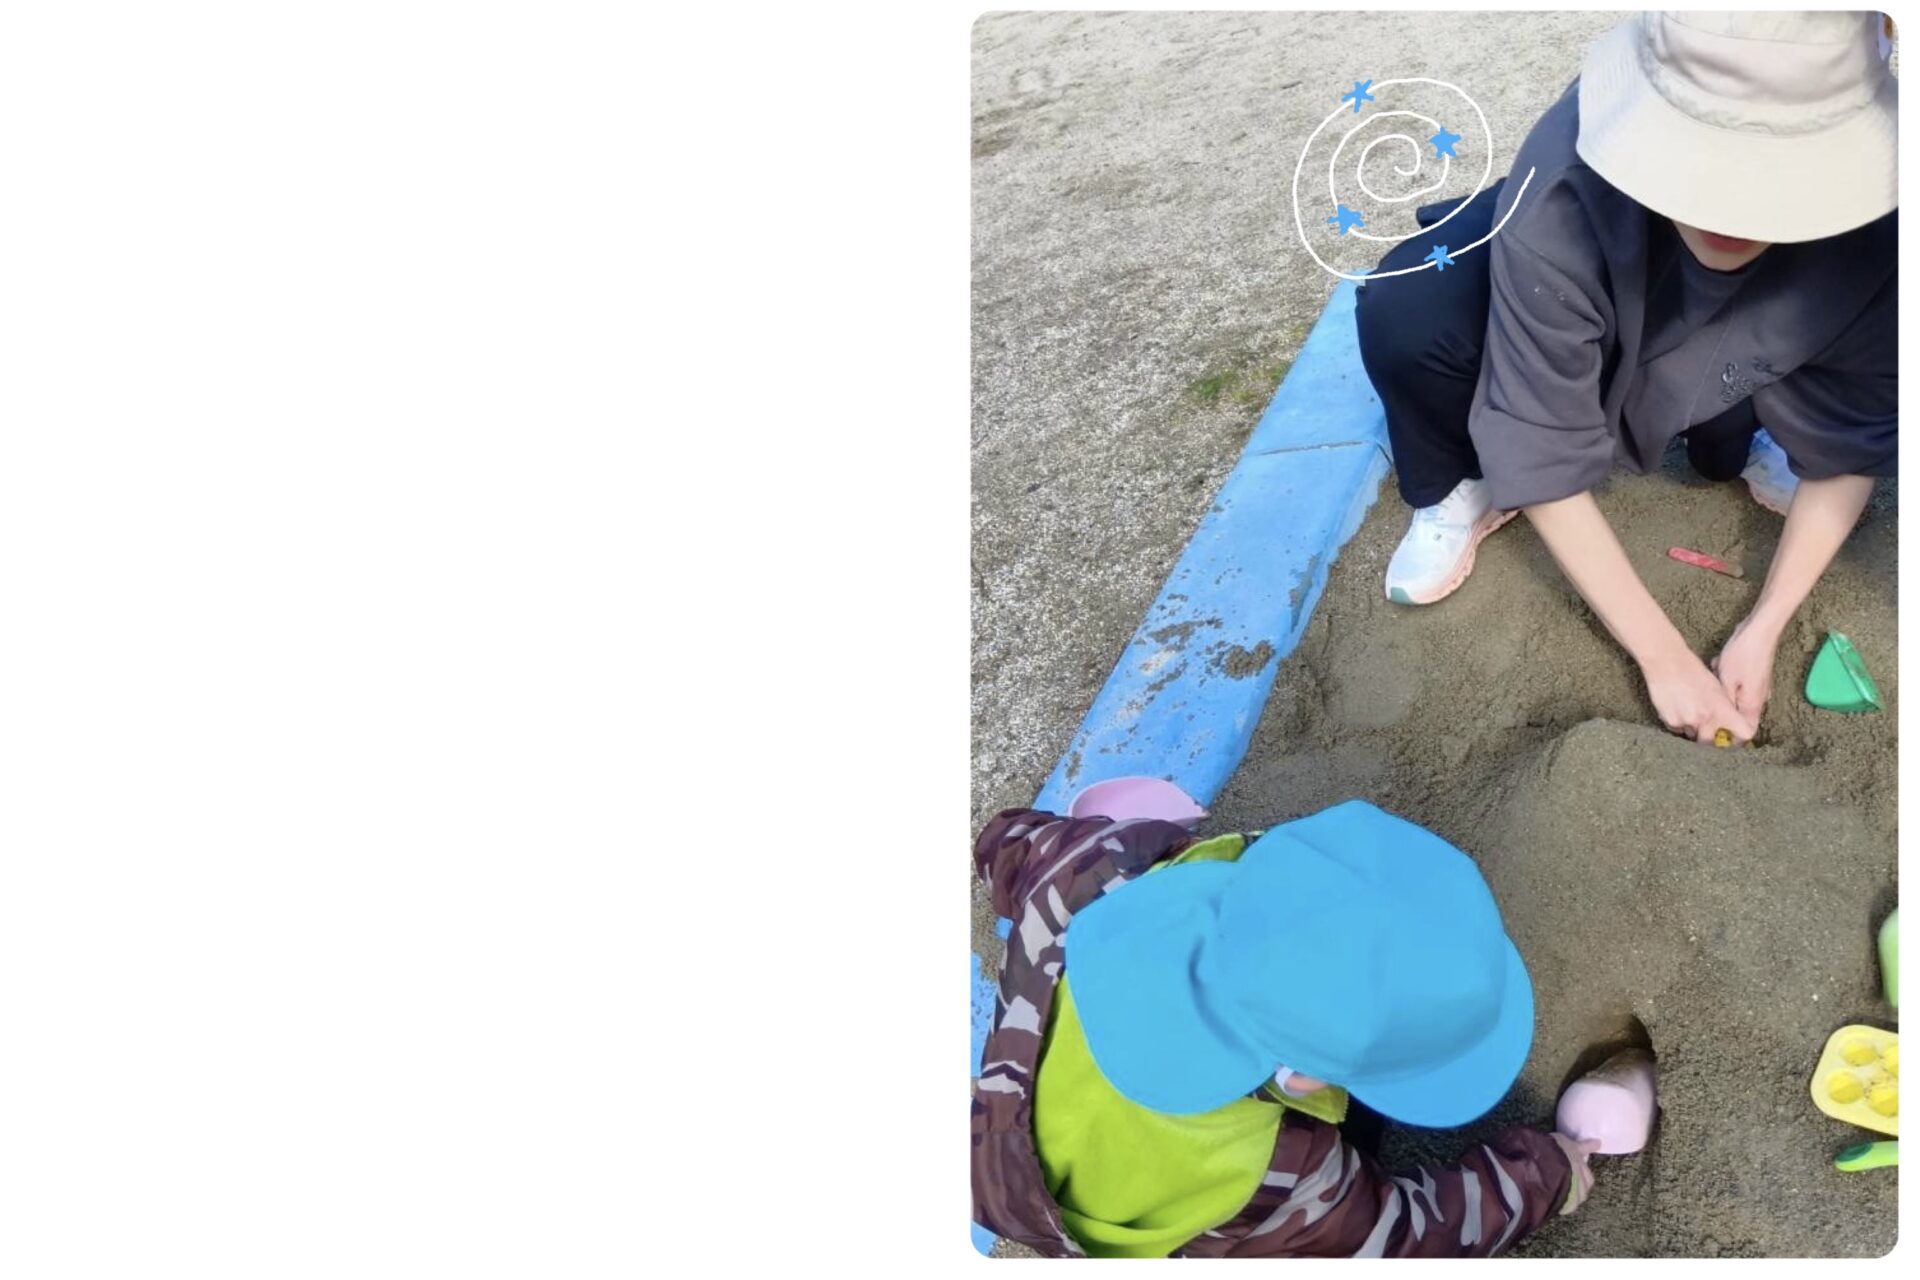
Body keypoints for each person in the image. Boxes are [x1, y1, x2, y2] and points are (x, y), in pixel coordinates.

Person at [1353, 11, 1896, 746]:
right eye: (1705, 157)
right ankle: (1463, 479)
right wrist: (1665, 659)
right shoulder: (1562, 194)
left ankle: (1754, 425)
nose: (1729, 207)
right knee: (1411, 310)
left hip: (1733, 324)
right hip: (1601, 265)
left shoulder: (1880, 234)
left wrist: (1765, 626)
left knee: (1734, 422)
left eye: (1770, 177)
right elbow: (1541, 435)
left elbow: (1856, 437)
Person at [970, 802, 1611, 1258]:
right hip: (1143, 1225)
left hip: (996, 1134)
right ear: (1302, 1078)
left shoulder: (1100, 869)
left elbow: (1021, 846)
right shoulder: (1275, 1179)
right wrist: (1543, 1175)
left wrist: (997, 846)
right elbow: (1405, 1236)